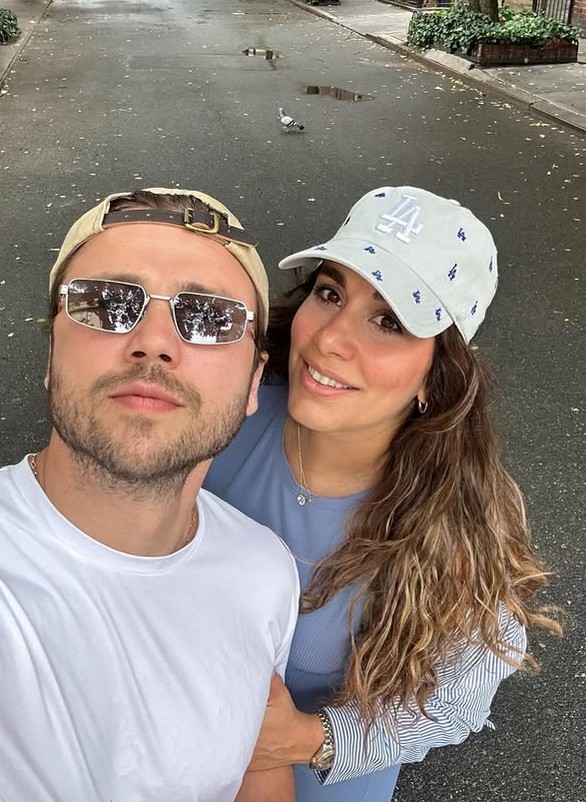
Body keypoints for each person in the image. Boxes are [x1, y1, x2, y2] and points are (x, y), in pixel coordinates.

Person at [204, 186, 561, 801]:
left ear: (435, 375)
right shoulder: (220, 413)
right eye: (330, 293)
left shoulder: (453, 526)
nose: (329, 338)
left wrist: (307, 739)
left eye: (389, 321)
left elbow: (453, 705)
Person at [0, 188, 300, 802]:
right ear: (52, 354)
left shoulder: (265, 571)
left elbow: (257, 761)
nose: (154, 341)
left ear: (253, 383)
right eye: (107, 302)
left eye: (211, 317)